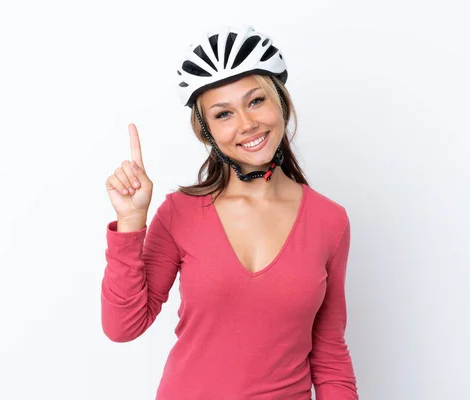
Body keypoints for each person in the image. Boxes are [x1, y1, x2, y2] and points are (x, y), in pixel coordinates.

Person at [102, 24, 359, 399]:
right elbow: (123, 326)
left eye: (256, 101)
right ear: (207, 132)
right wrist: (130, 223)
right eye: (224, 114)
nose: (247, 123)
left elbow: (330, 352)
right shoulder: (180, 213)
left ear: (280, 103)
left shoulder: (329, 221)